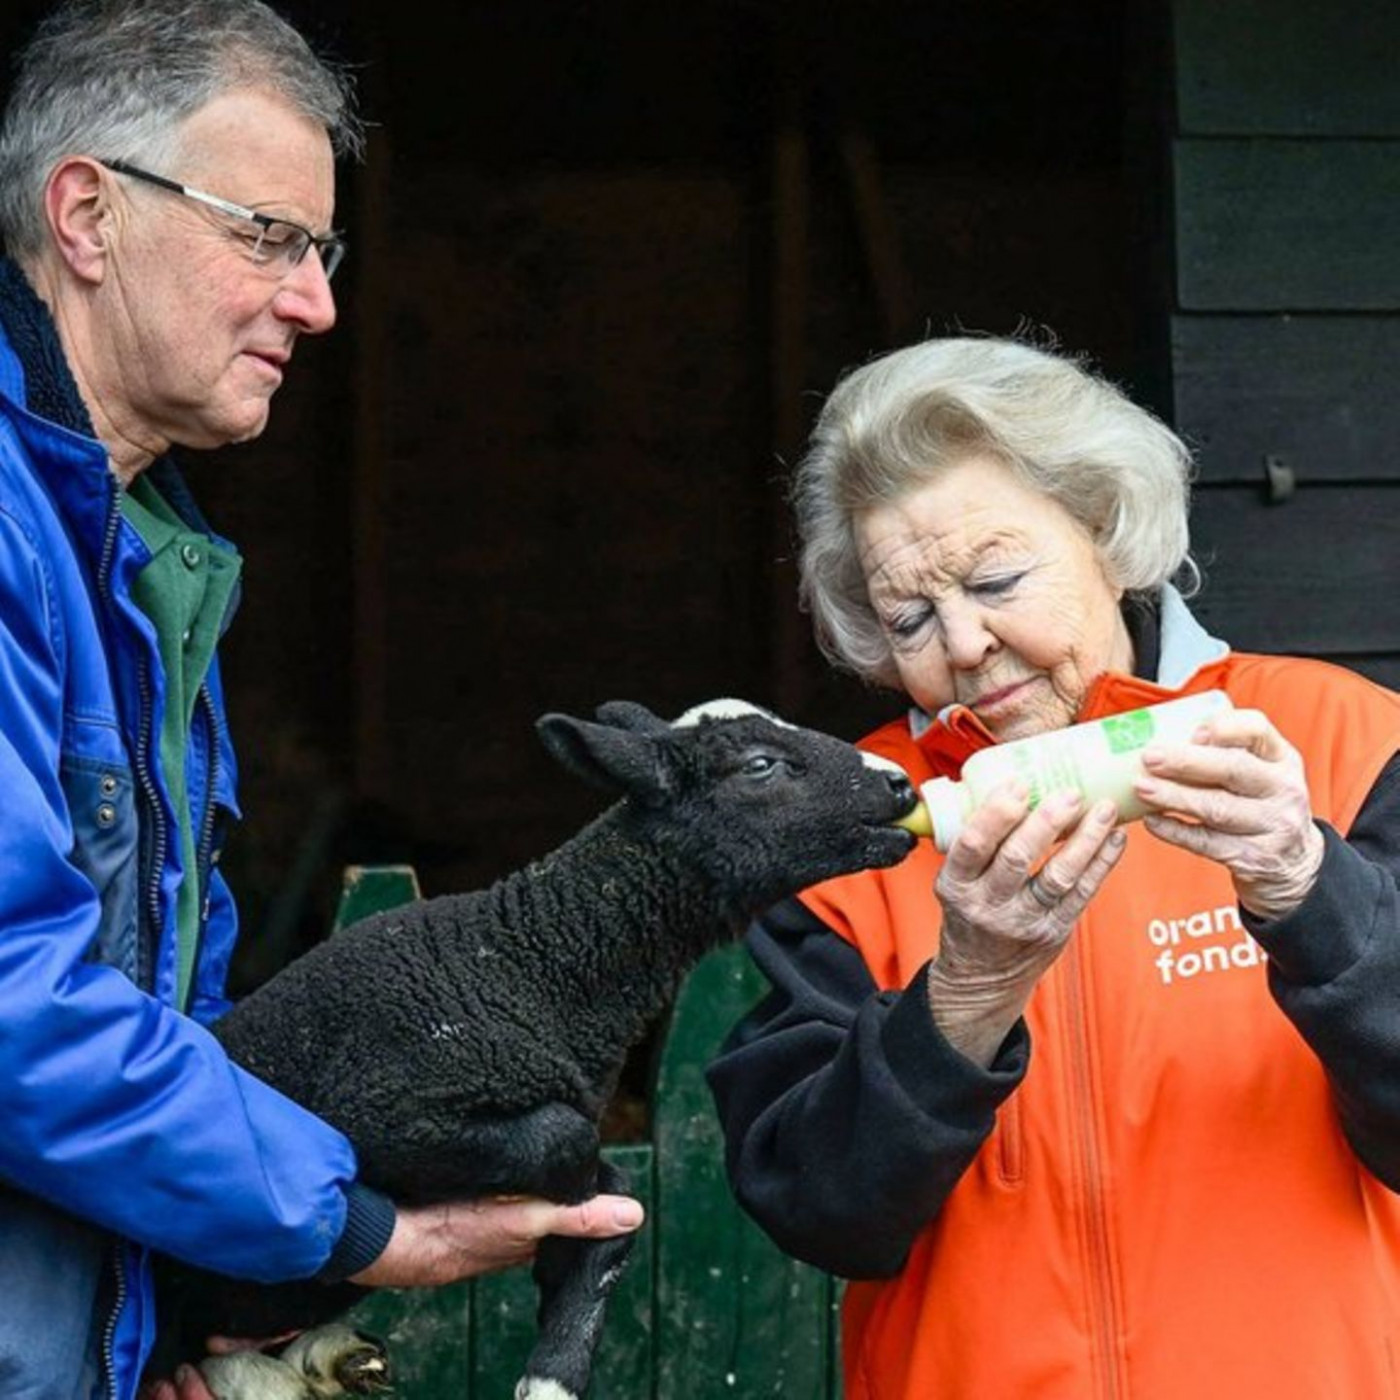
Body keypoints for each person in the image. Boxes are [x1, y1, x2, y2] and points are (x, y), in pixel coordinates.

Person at [0, 3, 643, 1397]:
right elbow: (12, 994)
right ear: (88, 216)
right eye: (268, 236)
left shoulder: (140, 552)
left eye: (320, 250)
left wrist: (157, 1312)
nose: (317, 301)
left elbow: (165, 1004)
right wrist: (343, 1226)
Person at [708, 335, 1400, 1399]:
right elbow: (815, 1205)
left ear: (1106, 532)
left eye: (994, 578)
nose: (963, 642)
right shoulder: (841, 832)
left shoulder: (1341, 740)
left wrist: (1305, 886)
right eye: (908, 616)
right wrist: (966, 993)